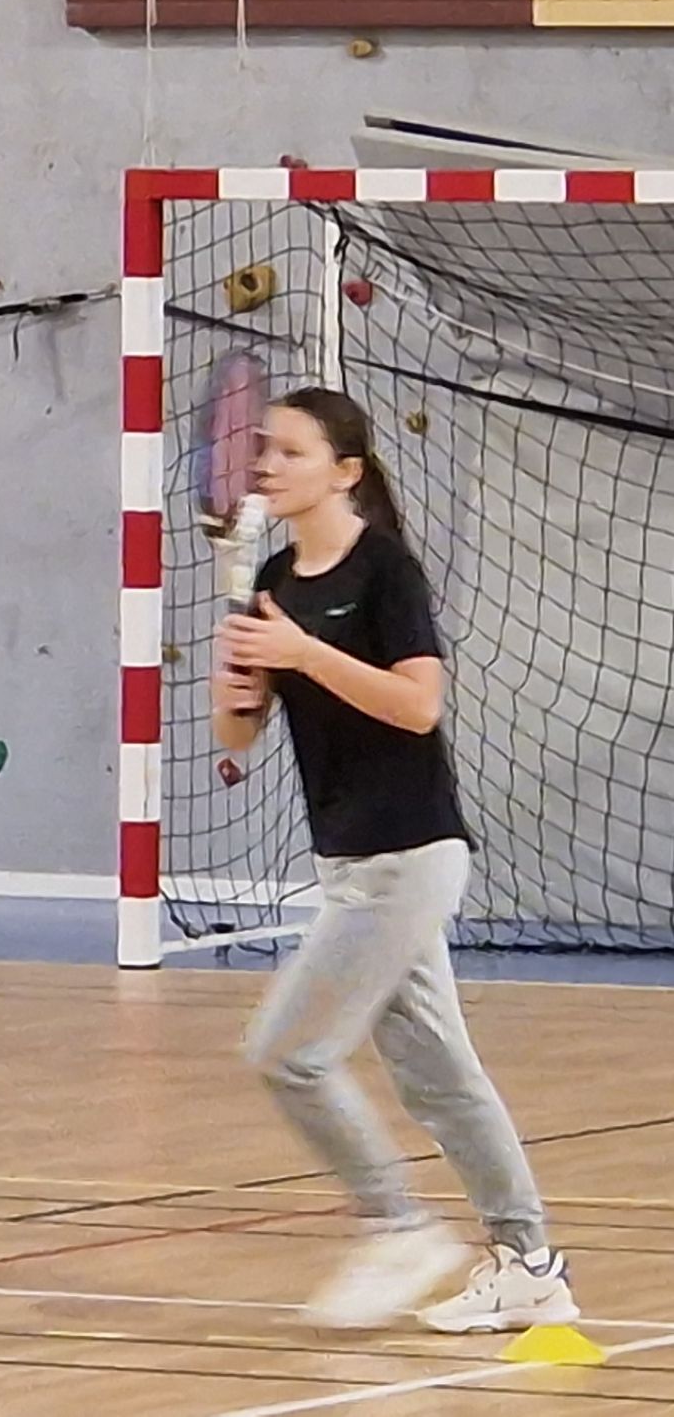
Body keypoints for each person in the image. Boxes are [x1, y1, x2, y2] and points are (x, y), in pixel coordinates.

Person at [213, 387, 577, 1333]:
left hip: (408, 852)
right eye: (265, 451)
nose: (268, 466)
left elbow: (417, 707)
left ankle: (396, 1225)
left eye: (289, 452)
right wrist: (240, 680)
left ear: (344, 471)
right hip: (347, 859)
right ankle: (528, 1261)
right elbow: (237, 736)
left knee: (288, 1055)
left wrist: (303, 651)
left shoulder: (385, 573)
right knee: (439, 1076)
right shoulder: (274, 576)